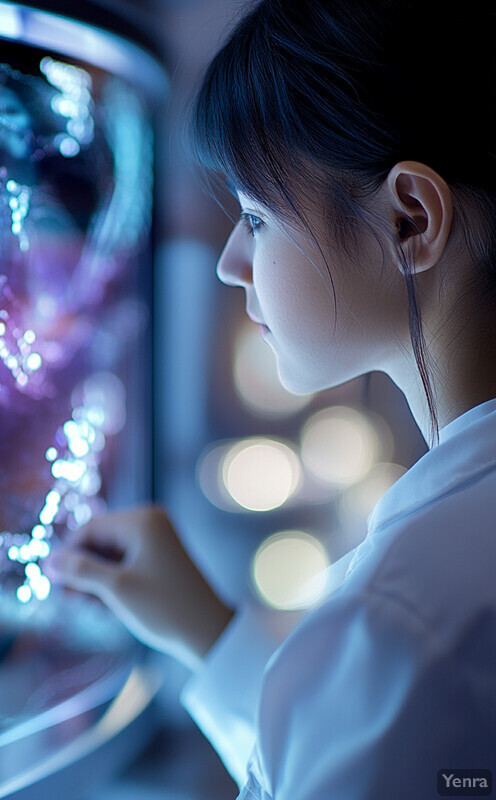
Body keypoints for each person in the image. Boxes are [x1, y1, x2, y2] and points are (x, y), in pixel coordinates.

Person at [46, 0, 496, 798]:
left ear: (411, 219)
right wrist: (212, 637)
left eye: (255, 217)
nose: (229, 262)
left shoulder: (403, 621)